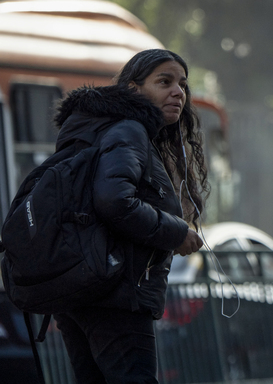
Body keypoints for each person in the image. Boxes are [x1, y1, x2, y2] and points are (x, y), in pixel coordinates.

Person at [52, 49, 208, 383]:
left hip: (78, 288)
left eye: (182, 84)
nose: (178, 92)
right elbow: (113, 201)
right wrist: (176, 232)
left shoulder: (96, 128)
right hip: (116, 295)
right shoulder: (129, 130)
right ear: (134, 89)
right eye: (164, 82)